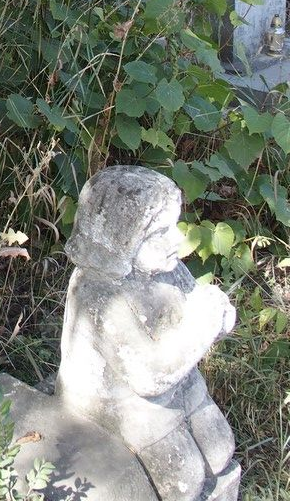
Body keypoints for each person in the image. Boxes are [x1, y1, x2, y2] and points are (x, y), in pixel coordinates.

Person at [56, 166, 237, 501]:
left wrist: (219, 315)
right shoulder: (99, 293)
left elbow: (196, 307)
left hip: (178, 383)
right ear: (121, 237)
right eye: (159, 233)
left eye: (175, 227)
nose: (179, 241)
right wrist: (203, 327)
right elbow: (148, 375)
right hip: (119, 402)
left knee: (220, 447)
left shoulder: (170, 269)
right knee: (186, 478)